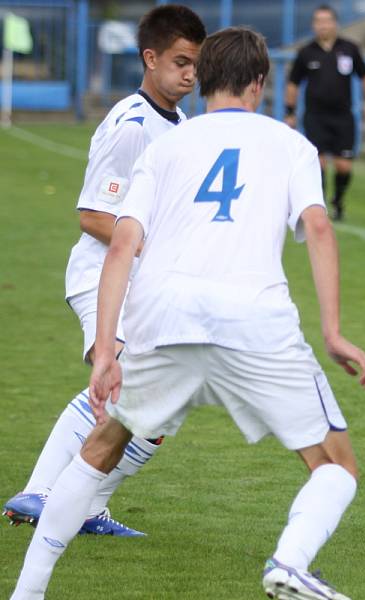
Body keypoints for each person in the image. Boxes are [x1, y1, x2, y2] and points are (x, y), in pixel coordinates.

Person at [11, 25, 365, 600]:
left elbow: (124, 244)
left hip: (165, 316)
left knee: (101, 446)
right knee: (335, 465)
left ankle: (27, 592)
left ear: (202, 79)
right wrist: (332, 332)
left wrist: (106, 349)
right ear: (259, 84)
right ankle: (290, 560)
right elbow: (317, 226)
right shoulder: (290, 145)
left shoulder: (167, 145)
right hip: (254, 320)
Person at [3, 4, 206, 537]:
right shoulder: (131, 125)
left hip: (144, 284)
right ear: (150, 58)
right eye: (180, 61)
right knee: (123, 387)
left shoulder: (181, 125)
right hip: (102, 277)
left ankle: (89, 506)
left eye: (195, 64)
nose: (189, 74)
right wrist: (156, 249)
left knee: (161, 403)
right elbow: (93, 214)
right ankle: (41, 492)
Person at [285, 4, 365, 222]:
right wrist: (290, 111)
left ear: (335, 23)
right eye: (318, 21)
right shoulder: (306, 53)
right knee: (319, 163)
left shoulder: (349, 49)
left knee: (344, 165)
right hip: (315, 116)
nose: (323, 25)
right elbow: (293, 83)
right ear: (314, 25)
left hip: (343, 117)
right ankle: (322, 205)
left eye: (327, 21)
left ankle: (338, 199)